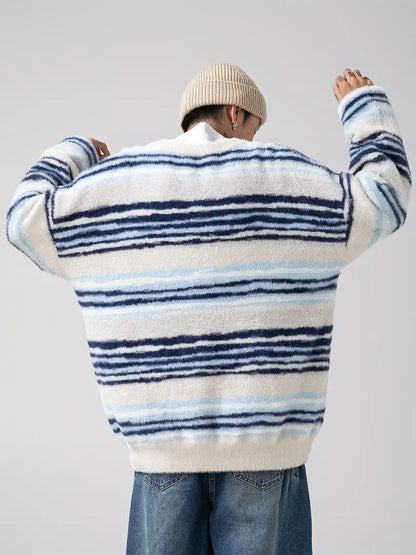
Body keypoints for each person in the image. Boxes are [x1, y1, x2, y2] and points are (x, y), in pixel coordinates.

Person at [5, 62, 412, 554]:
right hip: (267, 455)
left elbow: (23, 220)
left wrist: (77, 150)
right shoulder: (291, 178)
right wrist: (364, 107)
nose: (256, 139)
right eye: (256, 127)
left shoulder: (118, 185)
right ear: (235, 113)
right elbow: (385, 197)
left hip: (161, 457)